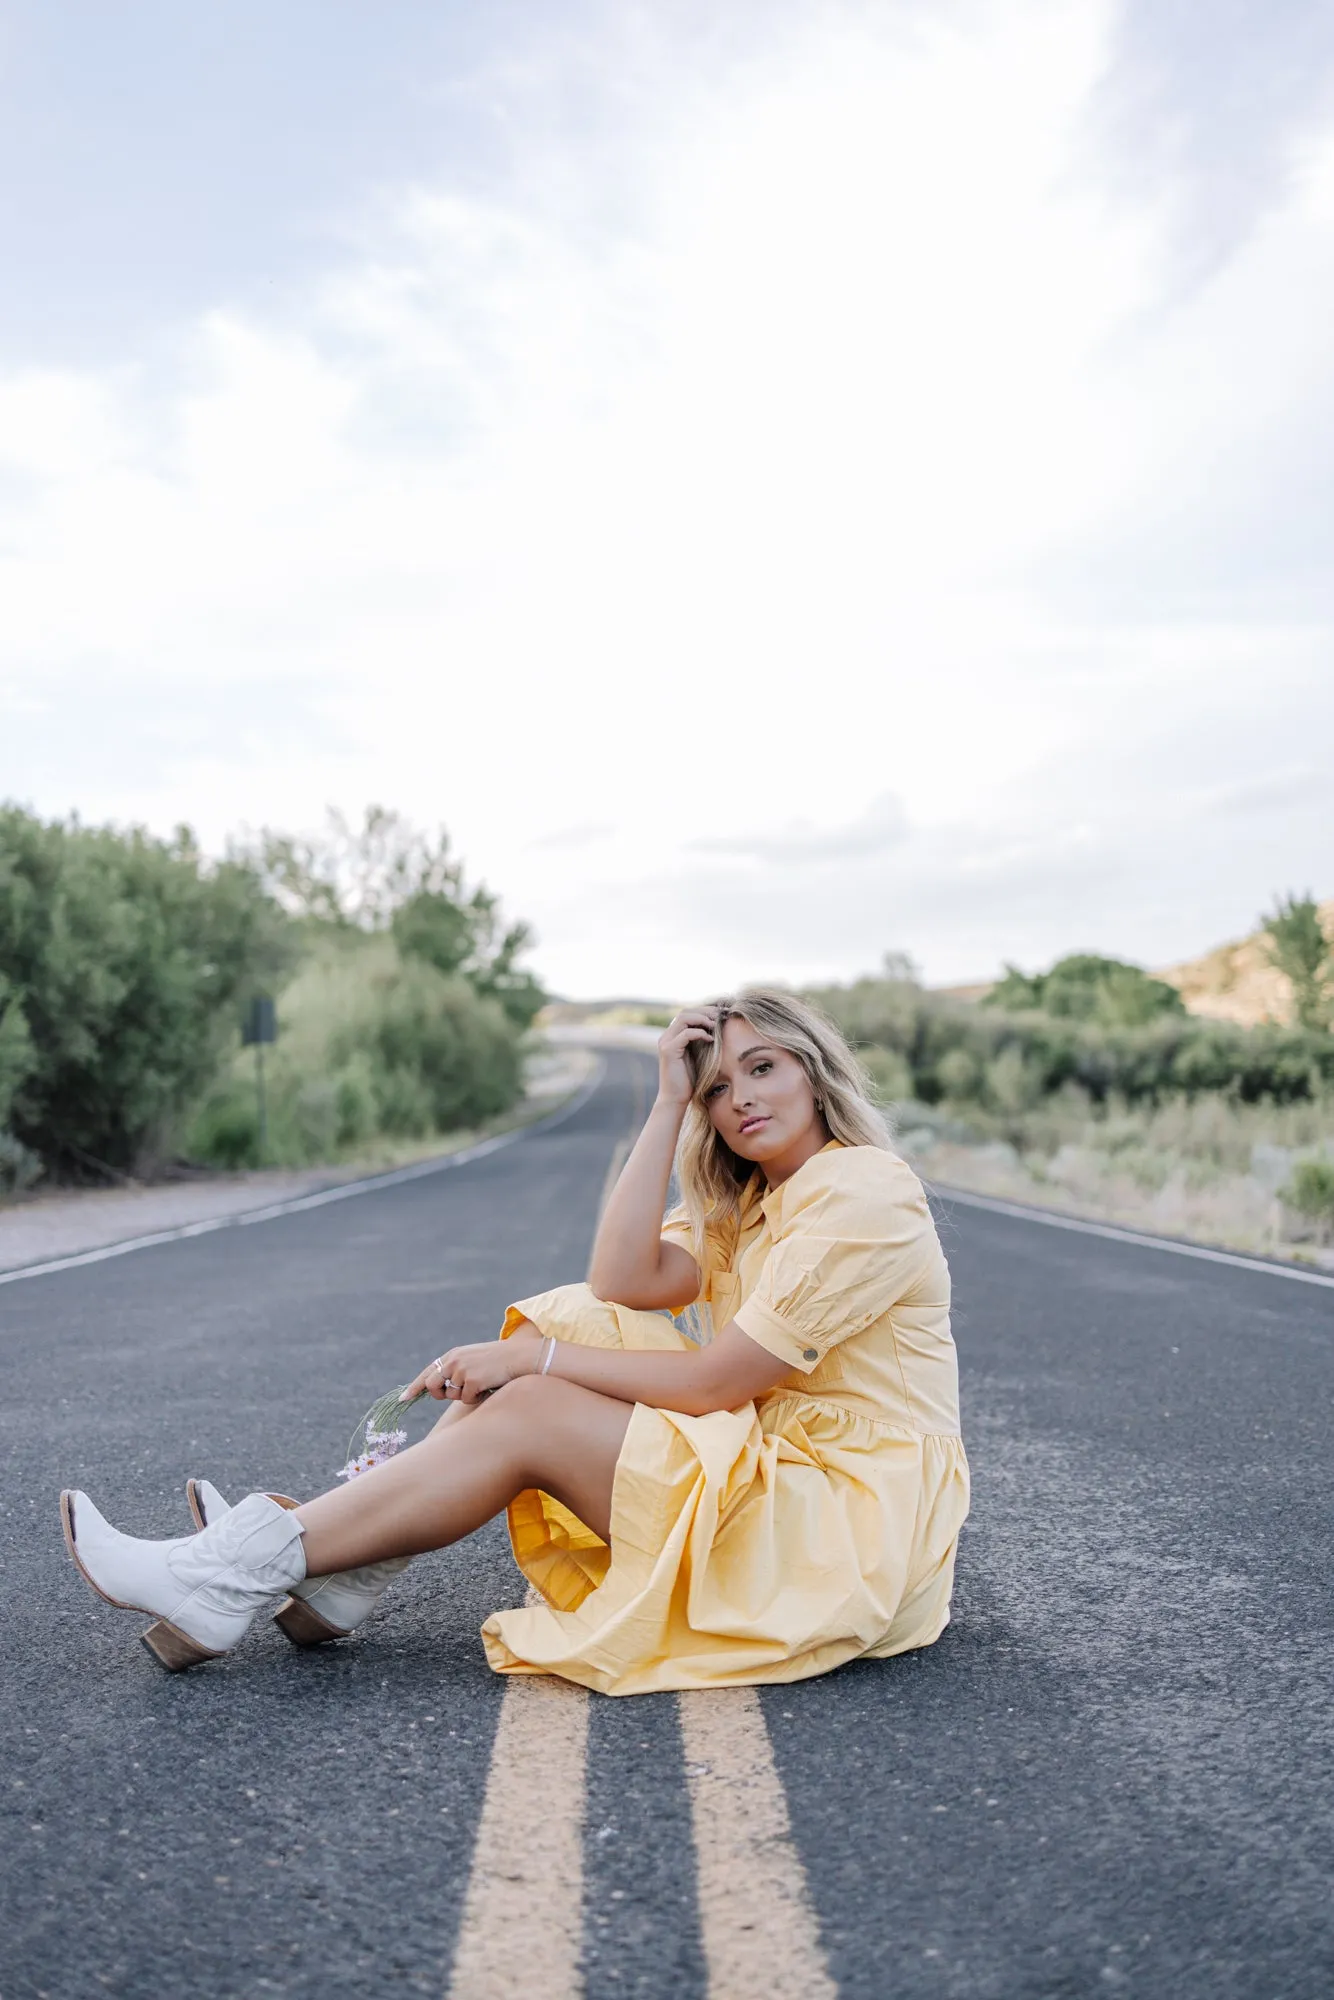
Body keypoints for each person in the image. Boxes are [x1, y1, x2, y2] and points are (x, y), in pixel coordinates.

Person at [60, 988, 970, 1691]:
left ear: (815, 1071)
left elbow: (715, 1384)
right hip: (783, 1474)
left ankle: (231, 1574)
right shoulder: (752, 1203)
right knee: (566, 1315)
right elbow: (620, 1280)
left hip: (847, 1522)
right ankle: (335, 1564)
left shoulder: (862, 1193)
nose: (740, 1100)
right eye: (719, 1085)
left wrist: (529, 1364)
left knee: (533, 1388)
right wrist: (665, 1107)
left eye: (764, 1068)